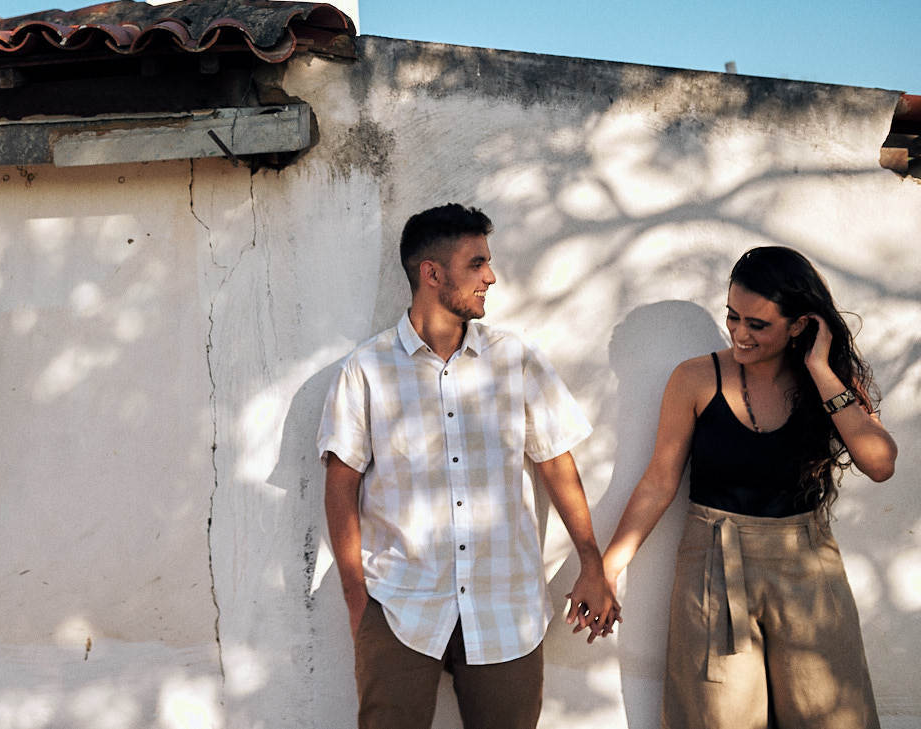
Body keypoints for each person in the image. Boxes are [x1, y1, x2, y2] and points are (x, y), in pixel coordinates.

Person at [318, 203, 615, 729]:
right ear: (431, 274)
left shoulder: (514, 359)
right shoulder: (366, 371)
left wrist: (591, 561)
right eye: (477, 263)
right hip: (400, 605)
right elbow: (341, 486)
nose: (491, 277)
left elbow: (556, 464)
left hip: (507, 607)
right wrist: (357, 600)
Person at [601, 246, 897, 729]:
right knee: (718, 717)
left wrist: (821, 371)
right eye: (732, 317)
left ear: (799, 325)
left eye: (757, 324)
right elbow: (659, 480)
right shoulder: (696, 377)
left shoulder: (828, 384)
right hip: (714, 563)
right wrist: (608, 569)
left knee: (830, 714)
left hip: (807, 564)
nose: (739, 333)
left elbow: (880, 463)